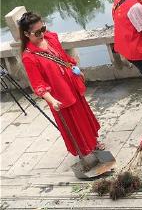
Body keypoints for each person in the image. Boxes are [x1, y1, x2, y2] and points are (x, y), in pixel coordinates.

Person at [19, 12, 103, 156]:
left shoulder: (50, 38)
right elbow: (38, 84)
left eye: (43, 29)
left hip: (71, 84)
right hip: (59, 94)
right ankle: (84, 149)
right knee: (74, 123)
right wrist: (51, 100)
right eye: (37, 32)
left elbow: (63, 58)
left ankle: (93, 142)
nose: (42, 34)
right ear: (27, 34)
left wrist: (75, 69)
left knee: (83, 115)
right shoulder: (29, 57)